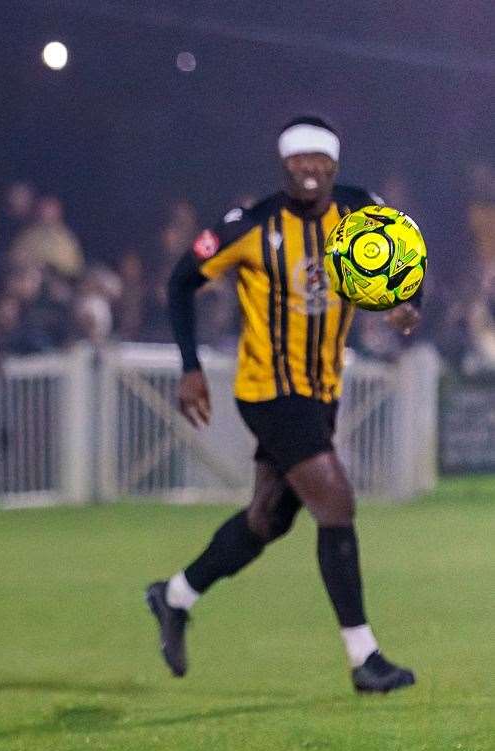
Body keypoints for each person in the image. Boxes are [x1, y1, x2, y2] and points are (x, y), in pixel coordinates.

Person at [147, 116, 421, 693]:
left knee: (267, 520)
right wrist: (190, 366)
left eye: (321, 159)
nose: (311, 169)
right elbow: (179, 281)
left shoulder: (363, 212)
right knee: (337, 503)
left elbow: (408, 265)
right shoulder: (251, 224)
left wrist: (403, 304)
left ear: (335, 165)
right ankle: (364, 657)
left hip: (321, 392)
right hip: (269, 392)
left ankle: (174, 595)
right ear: (284, 164)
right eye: (299, 159)